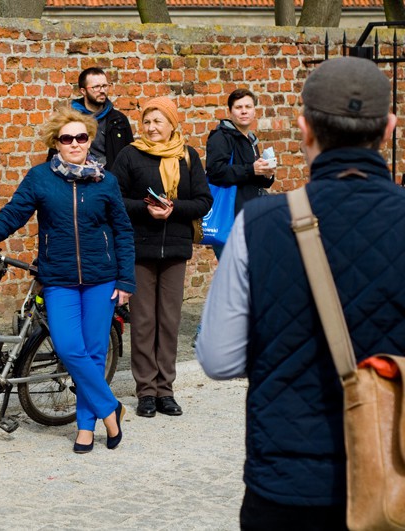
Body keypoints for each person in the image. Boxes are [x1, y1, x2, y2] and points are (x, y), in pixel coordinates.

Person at [196, 56, 405, 529]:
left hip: (288, 479)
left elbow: (219, 358)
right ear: (389, 129)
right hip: (395, 474)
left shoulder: (260, 224)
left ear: (305, 129)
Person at [0, 107, 135, 453]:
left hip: (102, 279)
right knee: (69, 348)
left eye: (81, 137)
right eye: (67, 138)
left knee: (94, 353)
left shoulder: (106, 181)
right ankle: (110, 408)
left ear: (89, 140)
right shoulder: (40, 178)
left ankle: (86, 428)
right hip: (59, 280)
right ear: (57, 143)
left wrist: (126, 281)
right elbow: (11, 216)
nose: (74, 143)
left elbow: (123, 232)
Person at [111, 96, 213, 418]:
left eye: (158, 121)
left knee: (169, 321)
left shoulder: (187, 156)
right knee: (143, 322)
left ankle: (165, 390)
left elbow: (203, 201)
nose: (151, 127)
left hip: (175, 250)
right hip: (140, 248)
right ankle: (146, 391)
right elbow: (114, 198)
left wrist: (173, 209)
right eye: (147, 121)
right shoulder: (130, 155)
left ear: (172, 123)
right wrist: (147, 209)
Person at [205, 88, 275, 258]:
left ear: (254, 111)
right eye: (238, 107)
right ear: (230, 111)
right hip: (230, 217)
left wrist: (267, 175)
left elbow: (252, 178)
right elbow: (215, 171)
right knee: (235, 270)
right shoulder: (220, 137)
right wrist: (251, 169)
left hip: (251, 215)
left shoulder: (251, 139)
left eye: (248, 107)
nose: (244, 111)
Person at [47, 67, 133, 171]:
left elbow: (130, 156)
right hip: (75, 176)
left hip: (111, 177)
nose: (102, 91)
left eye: (105, 86)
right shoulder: (69, 119)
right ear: (83, 91)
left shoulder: (119, 120)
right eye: (96, 87)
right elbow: (54, 156)